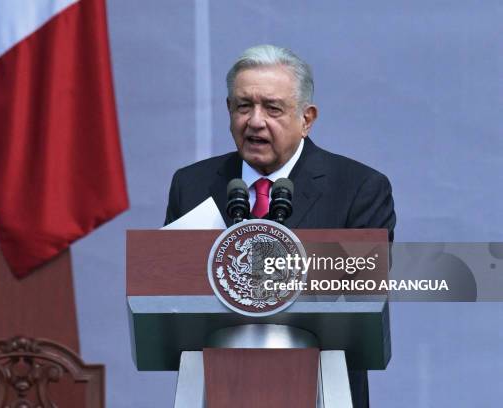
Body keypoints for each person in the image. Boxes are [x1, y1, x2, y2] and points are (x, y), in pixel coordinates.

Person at [164, 44, 395, 407]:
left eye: (272, 108)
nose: (255, 121)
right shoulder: (191, 185)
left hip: (320, 388)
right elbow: (168, 293)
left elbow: (364, 288)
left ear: (307, 118)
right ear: (228, 111)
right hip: (218, 388)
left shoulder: (358, 188)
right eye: (244, 106)